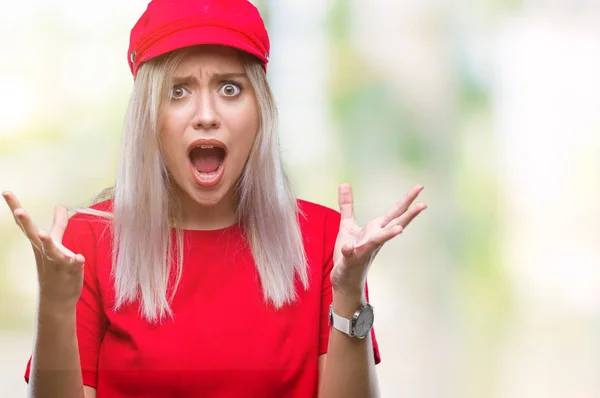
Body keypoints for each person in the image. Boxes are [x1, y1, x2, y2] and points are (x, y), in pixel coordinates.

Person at [2, 0, 426, 397]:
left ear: (260, 110)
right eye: (179, 91)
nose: (206, 115)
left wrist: (350, 292)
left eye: (229, 88)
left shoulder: (325, 241)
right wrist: (56, 305)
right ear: (149, 117)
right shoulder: (88, 241)